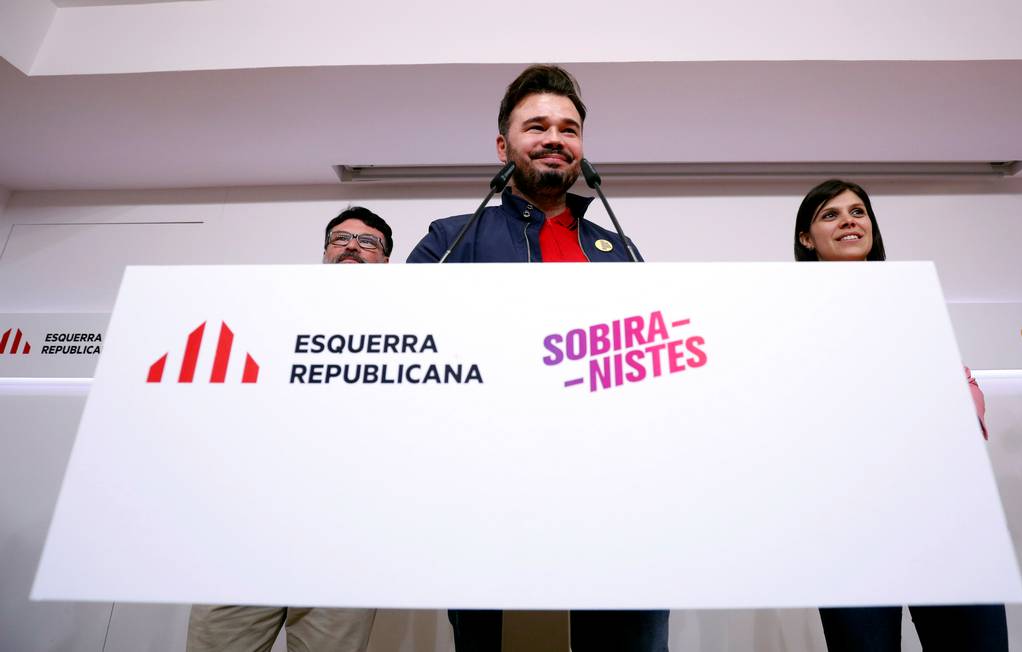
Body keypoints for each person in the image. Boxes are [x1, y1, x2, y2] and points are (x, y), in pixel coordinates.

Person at [407, 65, 667, 652]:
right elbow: (413, 352)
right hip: (489, 500)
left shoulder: (618, 250)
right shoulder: (453, 237)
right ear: (504, 146)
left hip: (616, 501)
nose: (555, 138)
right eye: (537, 126)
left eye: (569, 129)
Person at [794, 179, 1007, 651]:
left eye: (858, 211)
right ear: (806, 239)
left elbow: (962, 386)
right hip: (851, 520)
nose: (850, 220)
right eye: (830, 215)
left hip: (943, 508)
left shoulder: (912, 296)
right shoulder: (789, 314)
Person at [185, 206, 392, 652]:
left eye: (368, 242)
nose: (352, 246)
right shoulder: (265, 313)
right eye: (340, 239)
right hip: (247, 531)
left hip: (345, 539)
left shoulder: (406, 334)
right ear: (324, 251)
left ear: (385, 262)